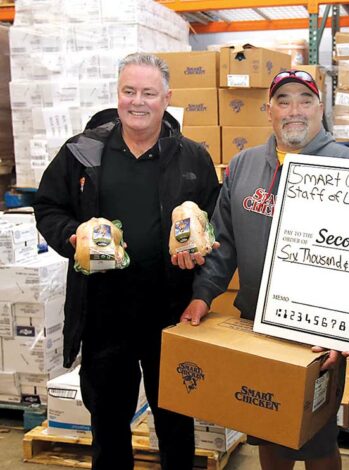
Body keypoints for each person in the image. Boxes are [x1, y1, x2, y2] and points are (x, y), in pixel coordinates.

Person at [33, 53, 220, 470]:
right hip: (104, 316)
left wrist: (203, 251)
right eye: (129, 91)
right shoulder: (82, 152)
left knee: (175, 421)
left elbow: (215, 219)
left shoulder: (192, 157)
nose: (138, 101)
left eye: (149, 93)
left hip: (171, 315)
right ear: (117, 95)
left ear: (167, 98)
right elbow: (47, 206)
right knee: (109, 423)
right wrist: (72, 236)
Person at [179, 70, 349, 470]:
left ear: (320, 109)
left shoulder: (347, 164)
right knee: (266, 424)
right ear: (268, 111)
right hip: (257, 322)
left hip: (319, 332)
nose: (294, 110)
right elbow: (222, 242)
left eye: (305, 100)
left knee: (318, 437)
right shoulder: (243, 165)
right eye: (283, 101)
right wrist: (202, 294)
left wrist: (346, 327)